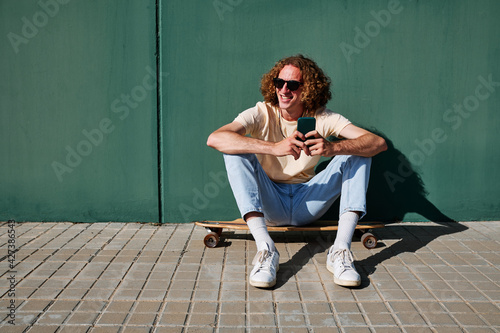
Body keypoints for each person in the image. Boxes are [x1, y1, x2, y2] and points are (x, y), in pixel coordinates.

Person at [207, 55, 387, 288]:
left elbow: (377, 143)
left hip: (308, 201)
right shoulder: (262, 112)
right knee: (233, 150)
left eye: (292, 85)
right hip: (271, 201)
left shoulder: (323, 116)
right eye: (279, 82)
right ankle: (266, 250)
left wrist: (333, 147)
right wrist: (273, 148)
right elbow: (215, 138)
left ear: (308, 89)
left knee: (359, 151)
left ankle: (340, 251)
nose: (283, 90)